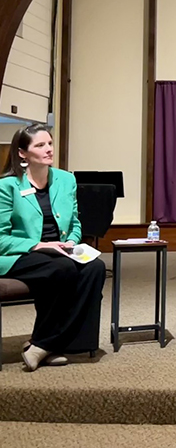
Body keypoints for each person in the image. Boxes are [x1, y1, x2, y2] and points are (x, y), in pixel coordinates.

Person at [0, 124, 105, 371]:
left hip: (61, 251)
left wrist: (72, 241)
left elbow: (76, 223)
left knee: (95, 268)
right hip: (19, 253)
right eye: (40, 145)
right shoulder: (7, 186)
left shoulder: (66, 180)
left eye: (49, 143)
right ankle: (48, 343)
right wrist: (39, 245)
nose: (48, 149)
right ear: (22, 153)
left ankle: (47, 344)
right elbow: (1, 238)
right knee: (61, 269)